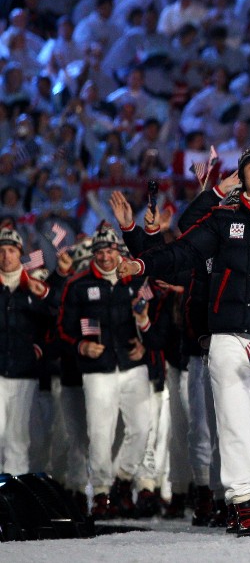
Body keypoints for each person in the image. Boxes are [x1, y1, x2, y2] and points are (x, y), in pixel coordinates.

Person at [119, 141, 250, 537]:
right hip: (227, 336)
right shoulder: (222, 219)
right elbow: (183, 252)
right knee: (232, 423)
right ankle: (243, 501)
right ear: (241, 176)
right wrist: (142, 262)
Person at [58, 223, 154, 520]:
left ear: (119, 251)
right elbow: (63, 327)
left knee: (141, 428)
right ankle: (101, 492)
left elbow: (153, 319)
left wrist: (145, 345)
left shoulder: (136, 281)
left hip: (131, 364)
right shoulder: (79, 284)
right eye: (99, 251)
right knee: (99, 433)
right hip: (97, 368)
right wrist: (80, 346)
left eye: (110, 250)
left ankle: (124, 480)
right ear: (93, 254)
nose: (105, 256)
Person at [0, 226, 52, 475]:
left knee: (18, 438)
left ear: (20, 253)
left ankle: (11, 495)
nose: (5, 256)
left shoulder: (35, 286)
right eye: (1, 250)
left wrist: (39, 350)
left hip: (25, 372)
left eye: (11, 250)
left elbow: (53, 324)